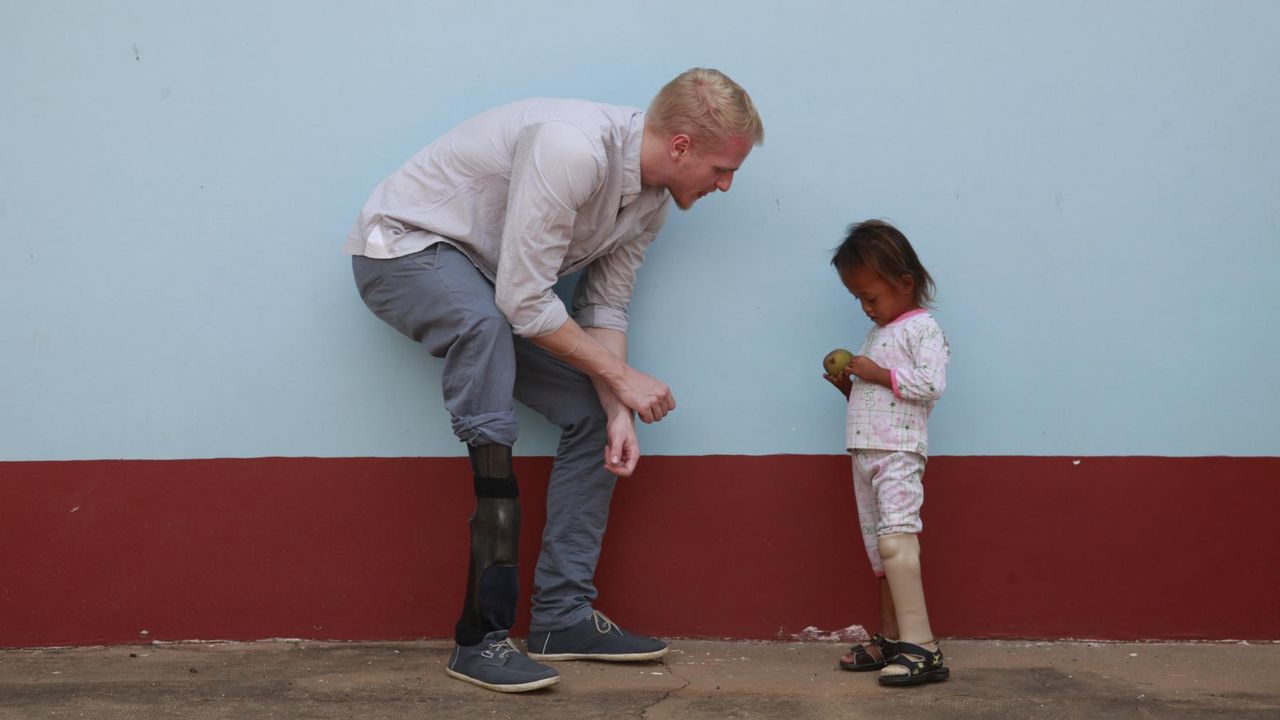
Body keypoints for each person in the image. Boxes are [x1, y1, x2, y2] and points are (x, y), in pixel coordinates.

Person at [346, 68, 764, 693]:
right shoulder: (573, 147)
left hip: (492, 286)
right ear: (681, 146)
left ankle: (560, 618)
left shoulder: (650, 202)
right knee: (486, 330)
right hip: (404, 252)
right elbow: (522, 301)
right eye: (721, 169)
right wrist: (624, 376)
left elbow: (603, 309)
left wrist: (618, 403)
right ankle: (480, 637)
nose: (726, 185)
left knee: (593, 414)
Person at [822, 220, 951, 686]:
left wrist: (875, 375)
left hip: (897, 453)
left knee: (898, 542)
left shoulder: (924, 329)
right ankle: (893, 637)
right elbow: (885, 398)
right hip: (868, 451)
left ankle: (924, 646)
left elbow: (931, 384)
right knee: (881, 553)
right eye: (857, 298)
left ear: (905, 284)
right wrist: (851, 388)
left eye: (871, 297)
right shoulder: (879, 333)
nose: (865, 307)